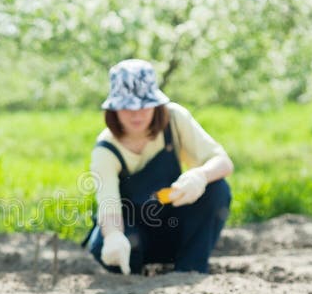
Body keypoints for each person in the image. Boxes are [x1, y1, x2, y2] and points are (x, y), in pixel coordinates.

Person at [85, 59, 233, 275]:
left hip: (175, 223)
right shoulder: (106, 150)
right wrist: (113, 236)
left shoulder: (174, 119)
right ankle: (130, 269)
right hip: (134, 234)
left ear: (155, 104)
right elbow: (108, 203)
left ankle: (190, 268)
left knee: (218, 189)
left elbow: (223, 161)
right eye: (127, 107)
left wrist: (201, 175)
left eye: (144, 106)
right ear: (114, 109)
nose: (136, 114)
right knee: (103, 245)